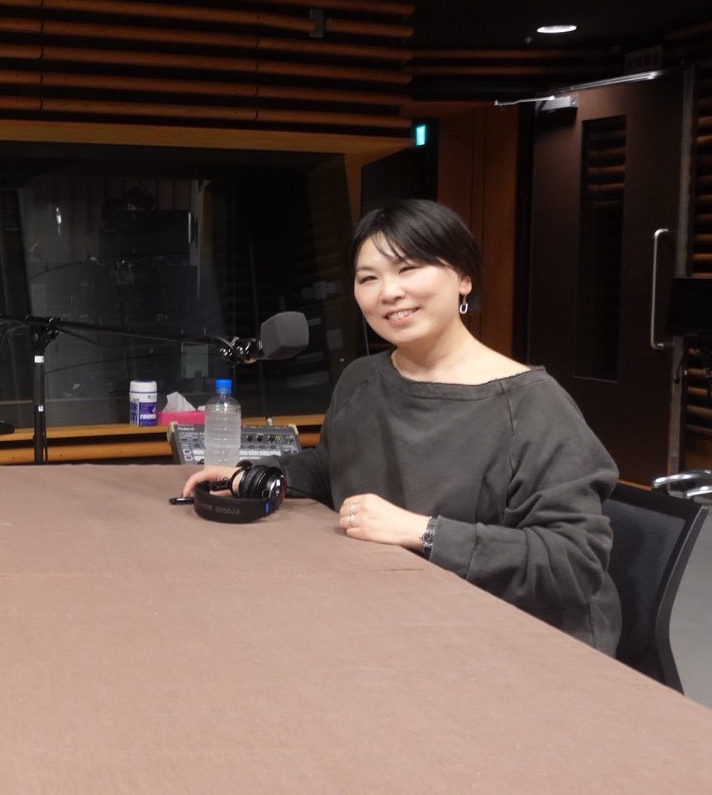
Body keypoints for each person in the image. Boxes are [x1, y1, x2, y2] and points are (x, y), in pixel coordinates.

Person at [182, 199, 620, 653]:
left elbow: (575, 562)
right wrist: (255, 475)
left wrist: (422, 532)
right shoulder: (362, 379)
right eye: (368, 278)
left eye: (408, 268)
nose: (388, 292)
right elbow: (332, 467)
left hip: (517, 639)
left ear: (464, 278)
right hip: (391, 609)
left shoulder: (533, 405)